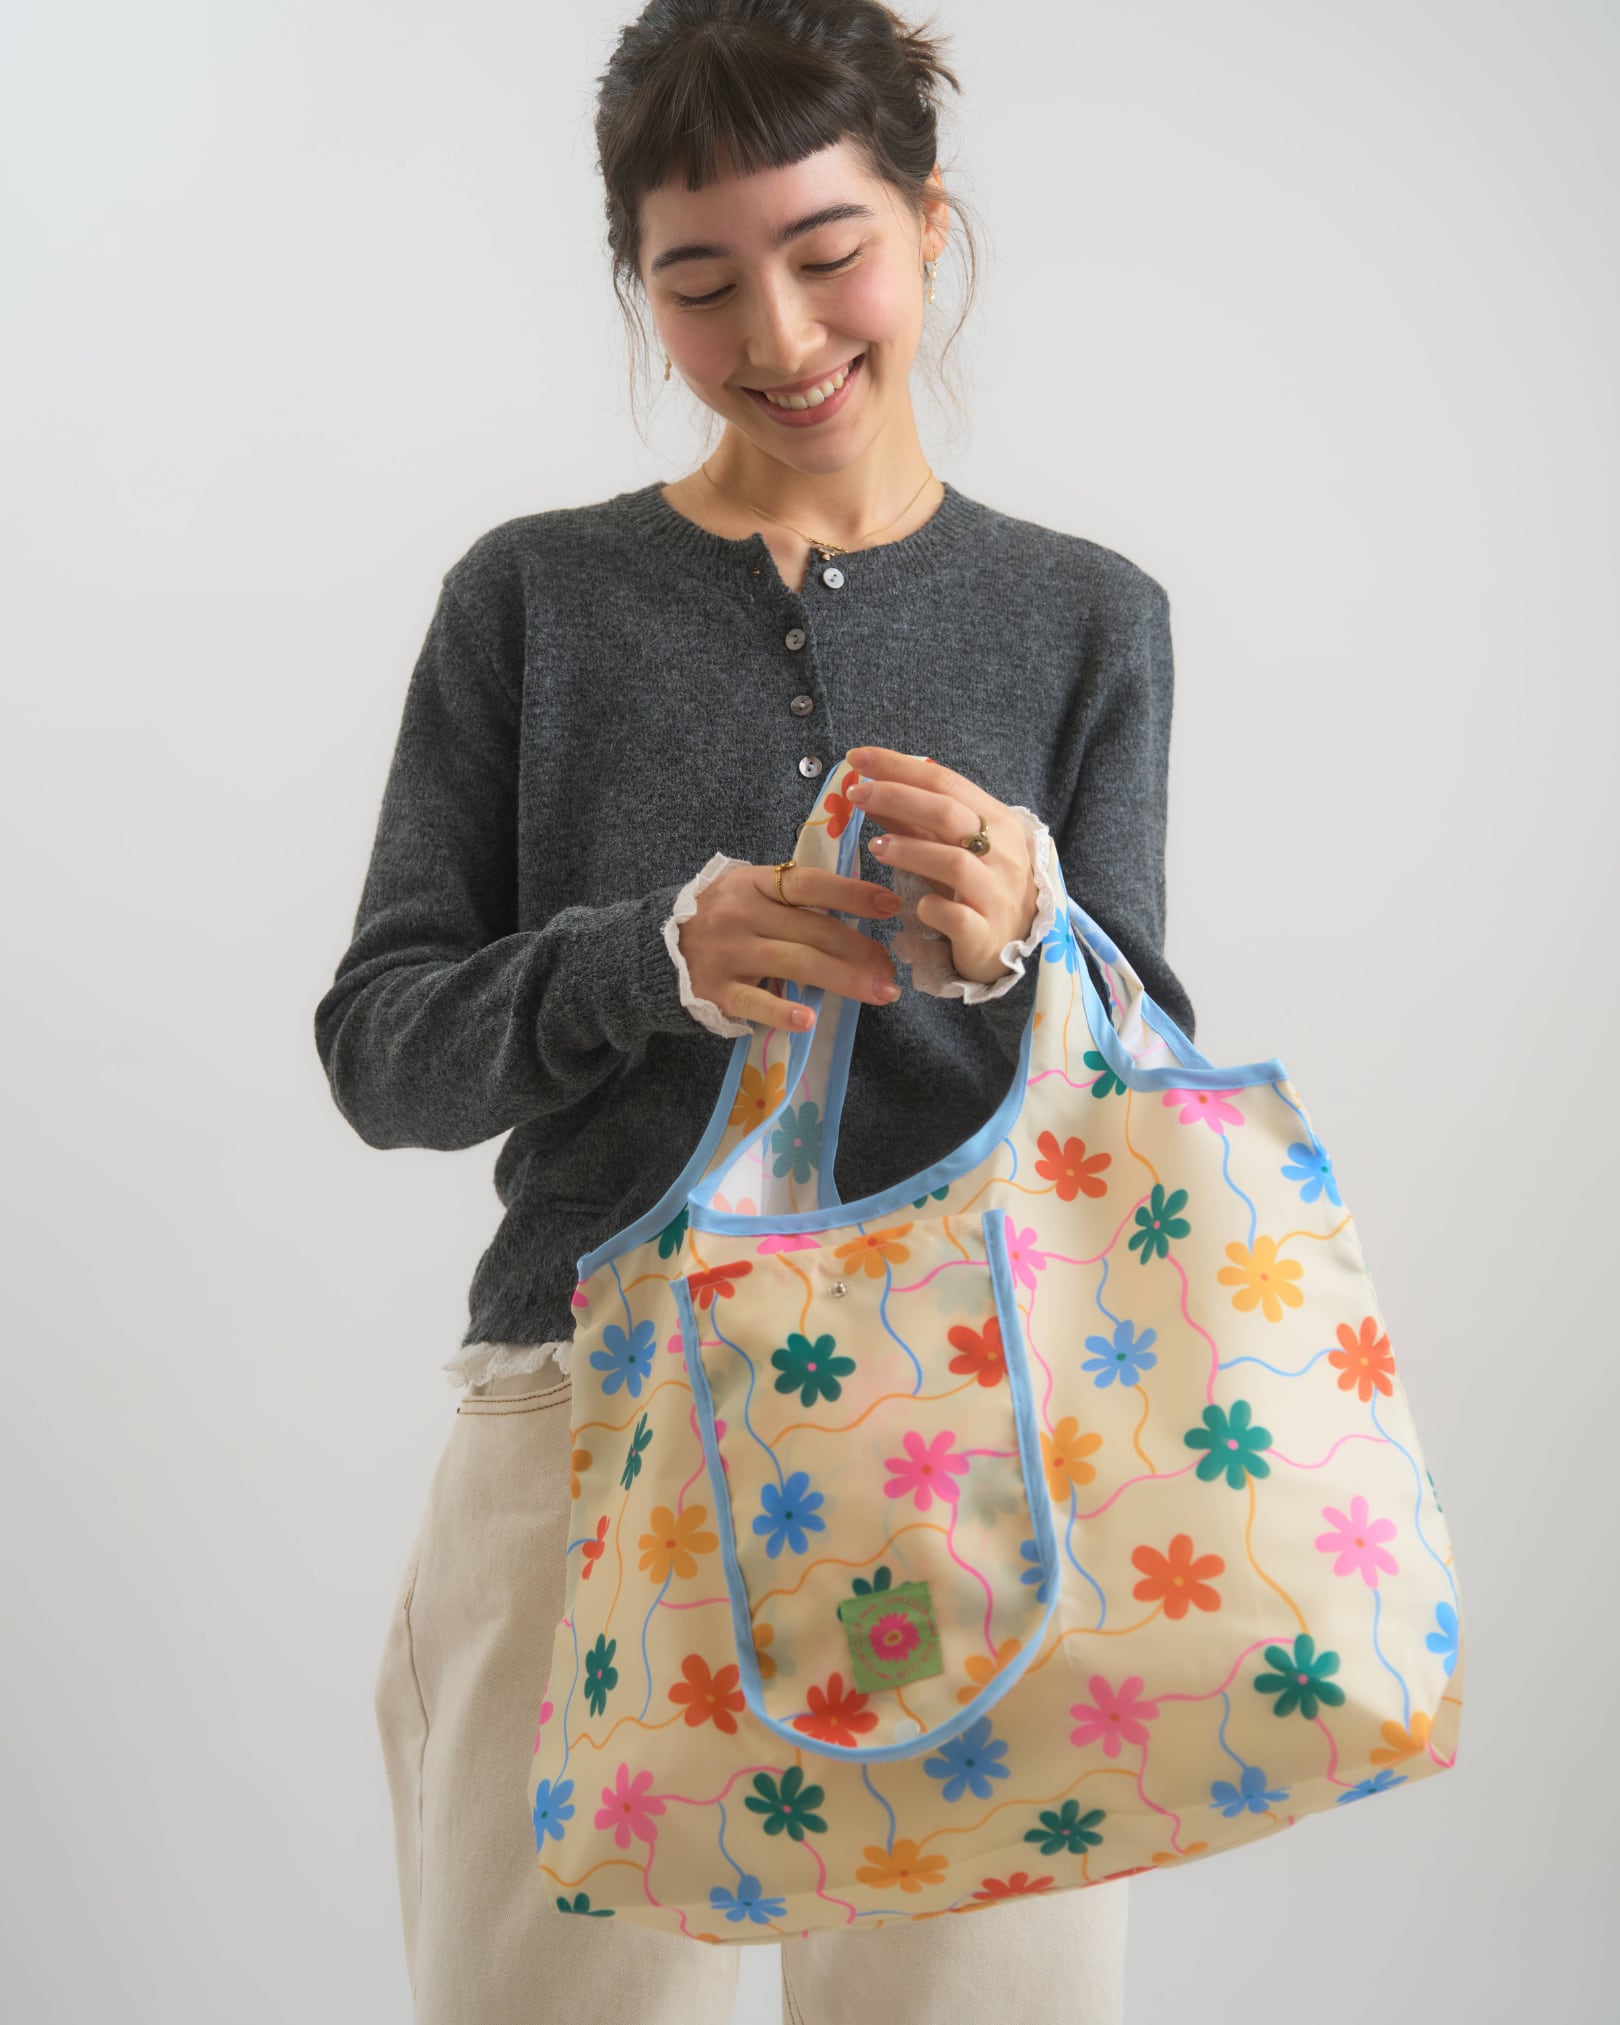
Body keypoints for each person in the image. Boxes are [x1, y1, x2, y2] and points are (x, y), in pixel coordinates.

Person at [313, 3, 1197, 2019]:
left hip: (988, 1454)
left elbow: (1148, 1095)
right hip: (589, 1437)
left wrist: (1036, 931)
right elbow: (381, 1047)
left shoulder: (1089, 618)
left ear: (930, 222)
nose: (780, 335)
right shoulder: (533, 600)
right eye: (700, 282)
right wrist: (652, 957)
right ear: (637, 280)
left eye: (828, 252)